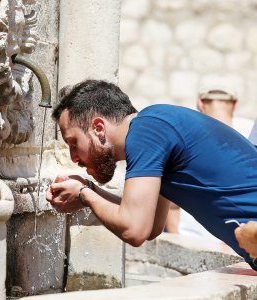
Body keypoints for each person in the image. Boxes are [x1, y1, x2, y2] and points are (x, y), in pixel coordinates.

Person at [46, 79, 257, 271]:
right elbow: (151, 225)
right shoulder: (154, 125)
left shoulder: (145, 132)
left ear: (98, 128)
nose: (74, 157)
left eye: (73, 143)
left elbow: (135, 230)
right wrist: (90, 192)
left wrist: (84, 194)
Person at [166, 87, 255, 239]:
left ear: (200, 103)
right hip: (243, 241)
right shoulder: (250, 132)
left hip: (193, 239)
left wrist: (177, 239)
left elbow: (171, 205)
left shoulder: (184, 134)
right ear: (235, 104)